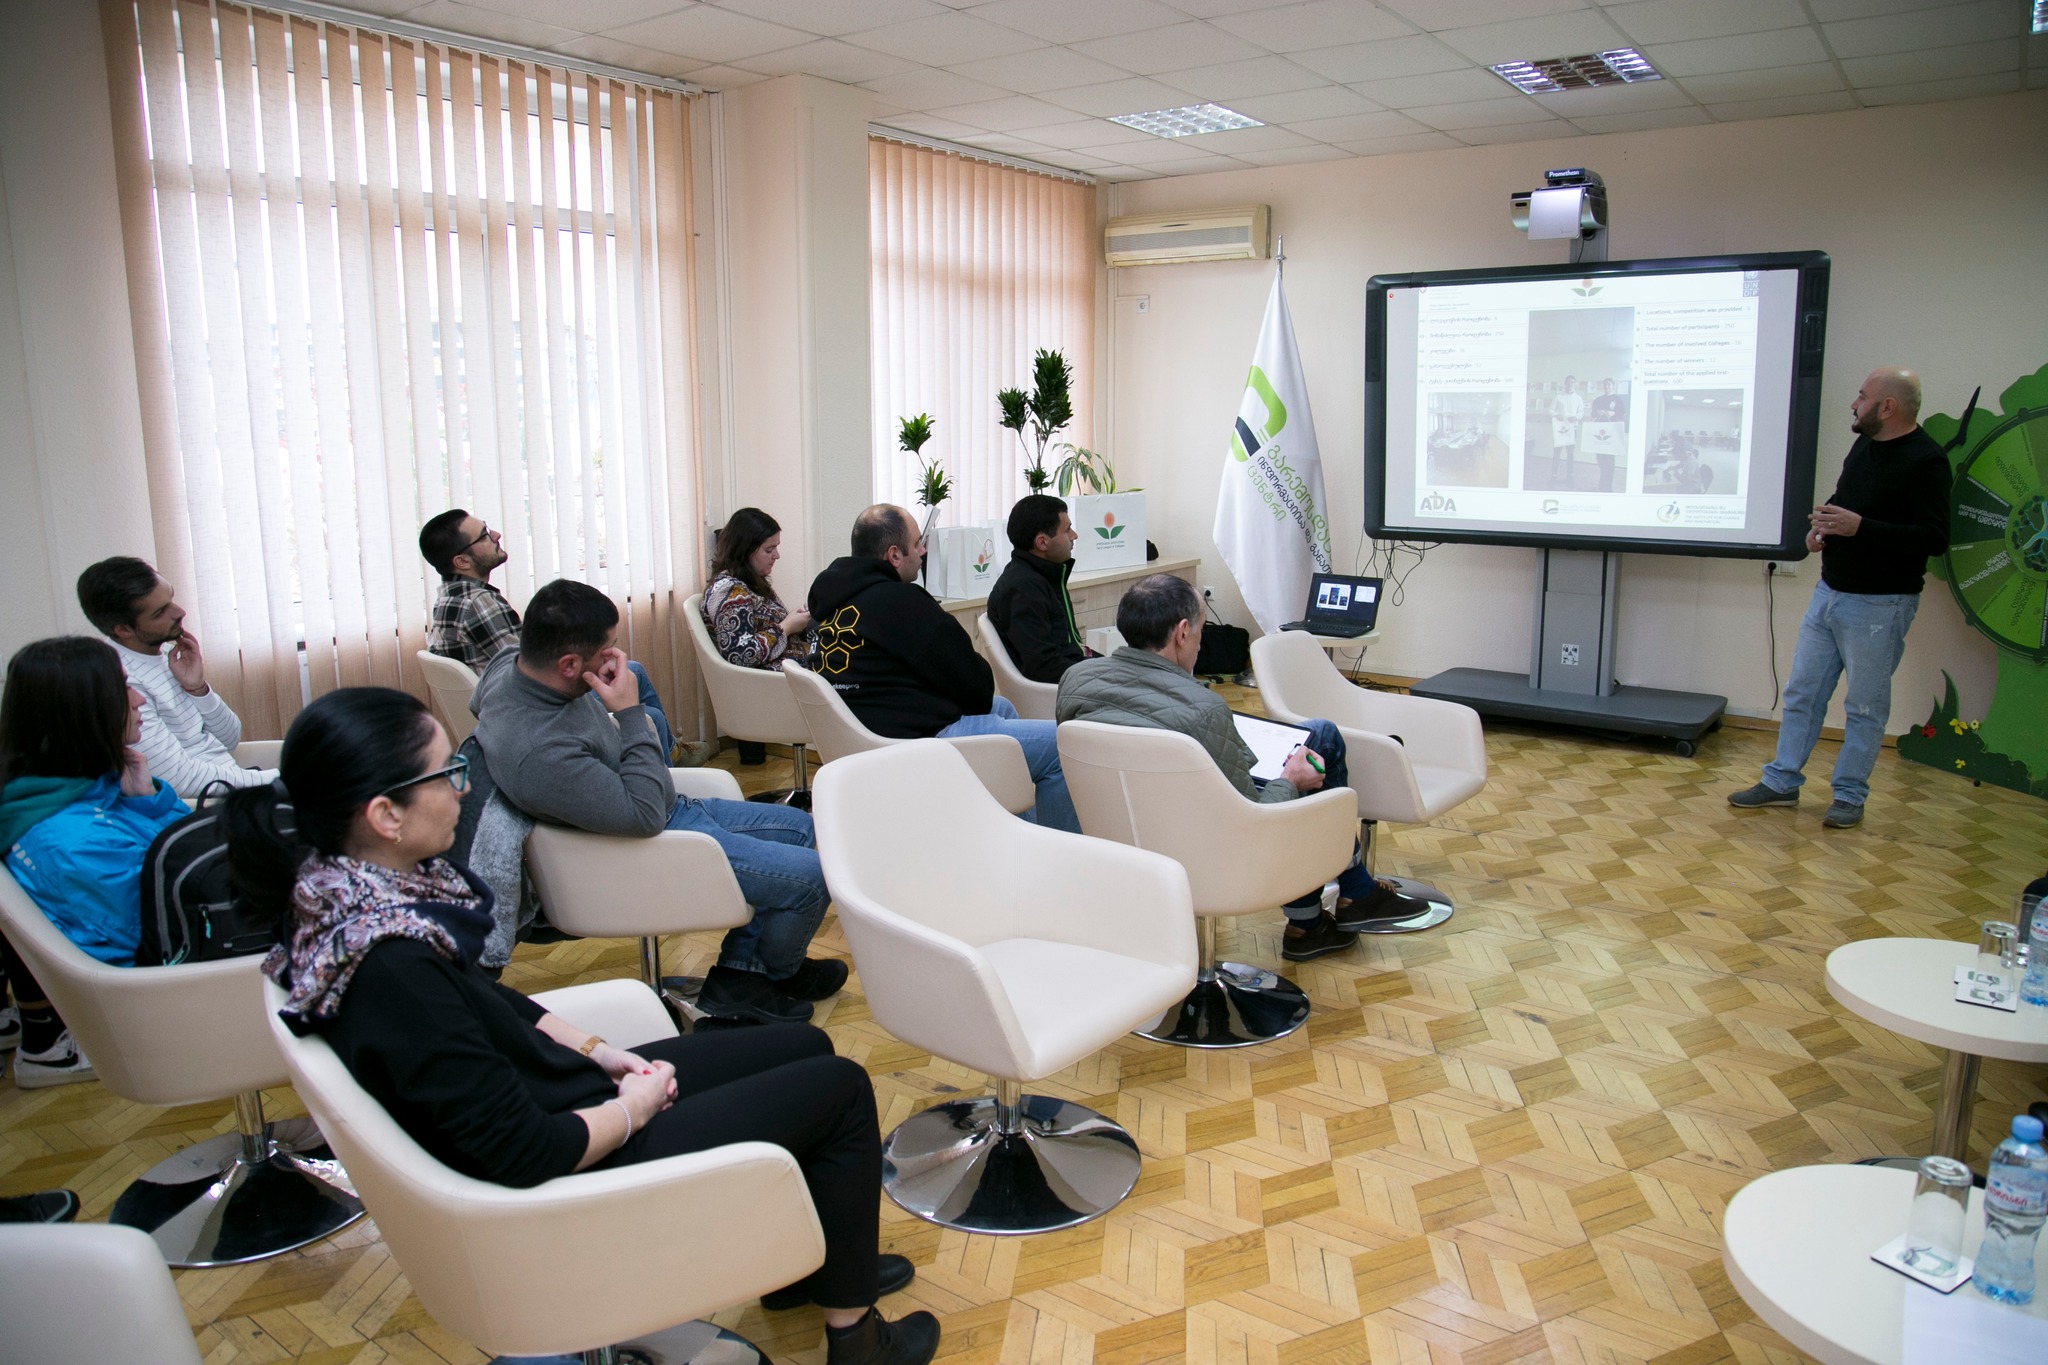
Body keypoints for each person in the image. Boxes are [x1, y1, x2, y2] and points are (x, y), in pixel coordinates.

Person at [226, 688, 937, 1365]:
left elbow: (486, 1003)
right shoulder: (391, 967)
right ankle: (855, 1338)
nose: (463, 790)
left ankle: (810, 1269)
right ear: (385, 814)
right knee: (841, 1087)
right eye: (446, 774)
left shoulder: (344, 902)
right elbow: (522, 1151)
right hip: (567, 1176)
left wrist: (597, 1050)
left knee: (805, 1043)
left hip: (559, 1094)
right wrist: (633, 1108)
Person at [472, 579, 836, 1024]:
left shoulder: (509, 665)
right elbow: (644, 817)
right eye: (605, 650)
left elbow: (477, 701)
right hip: (649, 842)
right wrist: (630, 714)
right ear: (568, 665)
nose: (615, 657)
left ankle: (745, 972)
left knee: (804, 829)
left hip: (668, 807)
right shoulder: (540, 751)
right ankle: (773, 972)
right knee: (812, 877)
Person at [1056, 575, 1426, 963]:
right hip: (1212, 855)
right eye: (1202, 628)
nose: (1202, 641)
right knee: (1323, 741)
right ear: (1183, 633)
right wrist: (1290, 780)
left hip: (1118, 843)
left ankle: (1327, 913)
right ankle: (1325, 913)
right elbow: (1256, 820)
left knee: (1317, 732)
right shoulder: (1203, 710)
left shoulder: (1077, 680)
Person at [1729, 367, 1951, 828]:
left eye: (1862, 396)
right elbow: (1844, 500)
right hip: (1829, 593)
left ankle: (1849, 796)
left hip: (1881, 605)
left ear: (1887, 407)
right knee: (1802, 693)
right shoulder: (1864, 445)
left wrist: (1860, 528)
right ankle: (1781, 782)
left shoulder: (1927, 460)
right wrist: (1821, 530)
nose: (1854, 403)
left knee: (1864, 707)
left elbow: (1934, 538)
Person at [807, 505, 1079, 833]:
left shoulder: (827, 606)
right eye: (917, 543)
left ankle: (1009, 833)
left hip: (865, 738)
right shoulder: (902, 603)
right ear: (894, 555)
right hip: (917, 746)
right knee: (1064, 746)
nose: (923, 551)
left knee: (1003, 707)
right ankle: (1051, 849)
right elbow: (975, 683)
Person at [0, 637, 196, 1085]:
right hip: (163, 994)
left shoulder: (73, 791)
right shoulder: (74, 839)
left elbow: (178, 859)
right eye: (123, 687)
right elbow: (166, 921)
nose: (138, 699)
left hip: (165, 961)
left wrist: (147, 801)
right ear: (82, 710)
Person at [419, 510, 690, 763]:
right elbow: (535, 670)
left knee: (634, 671)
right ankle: (667, 777)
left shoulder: (447, 597)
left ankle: (672, 753)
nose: (496, 535)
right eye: (485, 535)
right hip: (528, 715)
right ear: (462, 561)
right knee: (650, 716)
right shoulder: (480, 604)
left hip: (498, 710)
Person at [76, 556, 276, 793]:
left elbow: (230, 740)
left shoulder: (167, 654)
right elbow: (180, 780)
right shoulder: (119, 680)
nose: (180, 612)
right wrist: (276, 779)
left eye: (170, 598)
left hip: (235, 784)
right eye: (160, 611)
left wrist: (198, 689)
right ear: (123, 629)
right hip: (205, 802)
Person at [703, 508, 814, 765]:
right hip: (769, 685)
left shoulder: (751, 584)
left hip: (785, 672)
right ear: (745, 550)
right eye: (769, 549)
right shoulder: (730, 591)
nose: (777, 556)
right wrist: (786, 627)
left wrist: (796, 622)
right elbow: (741, 654)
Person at [986, 494, 1093, 684]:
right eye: (1067, 530)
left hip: (1076, 672)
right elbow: (1044, 667)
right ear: (1042, 542)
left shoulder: (1043, 576)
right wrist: (1101, 673)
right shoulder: (1023, 590)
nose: (1074, 536)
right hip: (1063, 688)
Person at [1587, 378, 1627, 493]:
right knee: (1600, 458)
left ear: (1613, 386)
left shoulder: (1617, 399)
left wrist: (1613, 413)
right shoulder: (1598, 400)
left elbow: (1623, 413)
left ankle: (1607, 485)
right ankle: (1603, 480)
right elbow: (1593, 414)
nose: (1607, 387)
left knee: (1609, 459)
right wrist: (1597, 412)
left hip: (1612, 432)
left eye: (1609, 384)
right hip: (1599, 431)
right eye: (1605, 385)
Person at [1550, 376, 1584, 485]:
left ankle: (1570, 477)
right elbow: (1550, 410)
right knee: (1557, 453)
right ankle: (1554, 476)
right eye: (1568, 382)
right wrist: (1556, 414)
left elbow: (1581, 412)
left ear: (1575, 384)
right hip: (1559, 429)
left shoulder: (1578, 398)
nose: (1570, 384)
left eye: (1572, 382)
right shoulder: (1558, 397)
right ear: (1565, 384)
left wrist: (1577, 417)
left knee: (1570, 454)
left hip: (1572, 429)